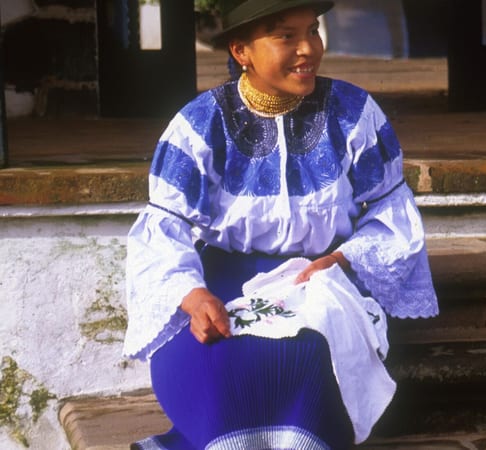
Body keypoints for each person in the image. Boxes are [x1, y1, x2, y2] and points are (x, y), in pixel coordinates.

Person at [121, 1, 439, 448]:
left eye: (312, 30)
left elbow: (390, 212)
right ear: (241, 49)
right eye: (285, 36)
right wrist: (191, 296)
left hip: (320, 281)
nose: (308, 48)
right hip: (222, 284)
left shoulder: (353, 114)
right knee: (220, 363)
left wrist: (343, 259)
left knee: (308, 355)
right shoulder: (199, 124)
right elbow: (164, 226)